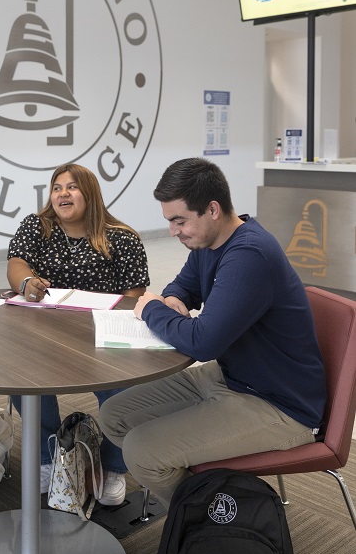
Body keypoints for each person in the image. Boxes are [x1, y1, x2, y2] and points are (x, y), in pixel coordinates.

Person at [99, 157, 326, 508]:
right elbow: (183, 286)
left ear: (213, 209)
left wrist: (152, 308)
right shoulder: (209, 242)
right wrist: (173, 299)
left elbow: (203, 341)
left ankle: (214, 525)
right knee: (114, 416)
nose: (173, 231)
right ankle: (206, 488)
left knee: (142, 451)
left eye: (179, 220)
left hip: (278, 405)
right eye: (169, 221)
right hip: (232, 376)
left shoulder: (250, 255)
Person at [6, 163, 150, 505]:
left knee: (123, 395)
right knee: (21, 384)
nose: (62, 194)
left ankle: (113, 467)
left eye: (71, 187)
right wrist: (27, 284)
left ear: (90, 194)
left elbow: (134, 296)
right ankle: (48, 457)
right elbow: (16, 263)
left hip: (101, 336)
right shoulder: (37, 226)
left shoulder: (121, 238)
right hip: (46, 333)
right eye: (57, 188)